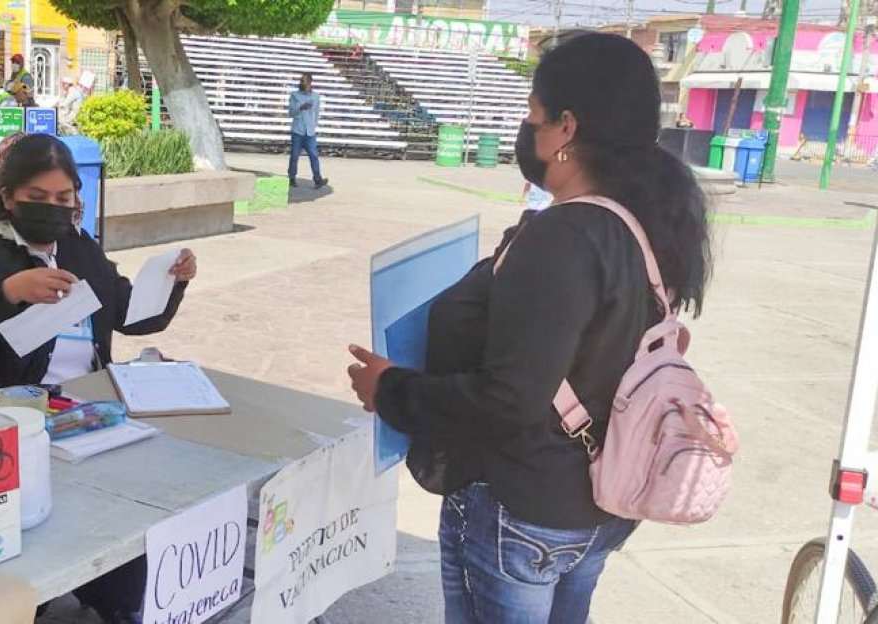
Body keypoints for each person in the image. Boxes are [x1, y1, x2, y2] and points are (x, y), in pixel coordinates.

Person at [345, 32, 712, 623]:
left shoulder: (562, 237)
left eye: (532, 115)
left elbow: (509, 399)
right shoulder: (646, 221)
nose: (525, 130)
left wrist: (390, 389)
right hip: (600, 501)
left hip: (523, 514)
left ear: (565, 128)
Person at [0, 134, 197, 624]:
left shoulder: (80, 248)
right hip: (6, 417)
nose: (52, 208)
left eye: (63, 198)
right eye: (37, 197)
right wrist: (9, 292)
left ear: (76, 199)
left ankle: (114, 599)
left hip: (85, 409)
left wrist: (172, 281)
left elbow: (131, 315)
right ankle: (26, 603)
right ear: (9, 197)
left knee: (138, 492)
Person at [287, 73, 328, 189]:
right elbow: (291, 113)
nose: (300, 83)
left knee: (314, 156)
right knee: (294, 156)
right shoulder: (295, 96)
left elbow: (316, 113)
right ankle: (292, 177)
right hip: (298, 130)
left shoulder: (316, 96)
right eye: (300, 80)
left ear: (309, 82)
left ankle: (317, 179)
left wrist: (313, 126)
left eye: (303, 81)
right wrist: (300, 108)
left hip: (310, 132)